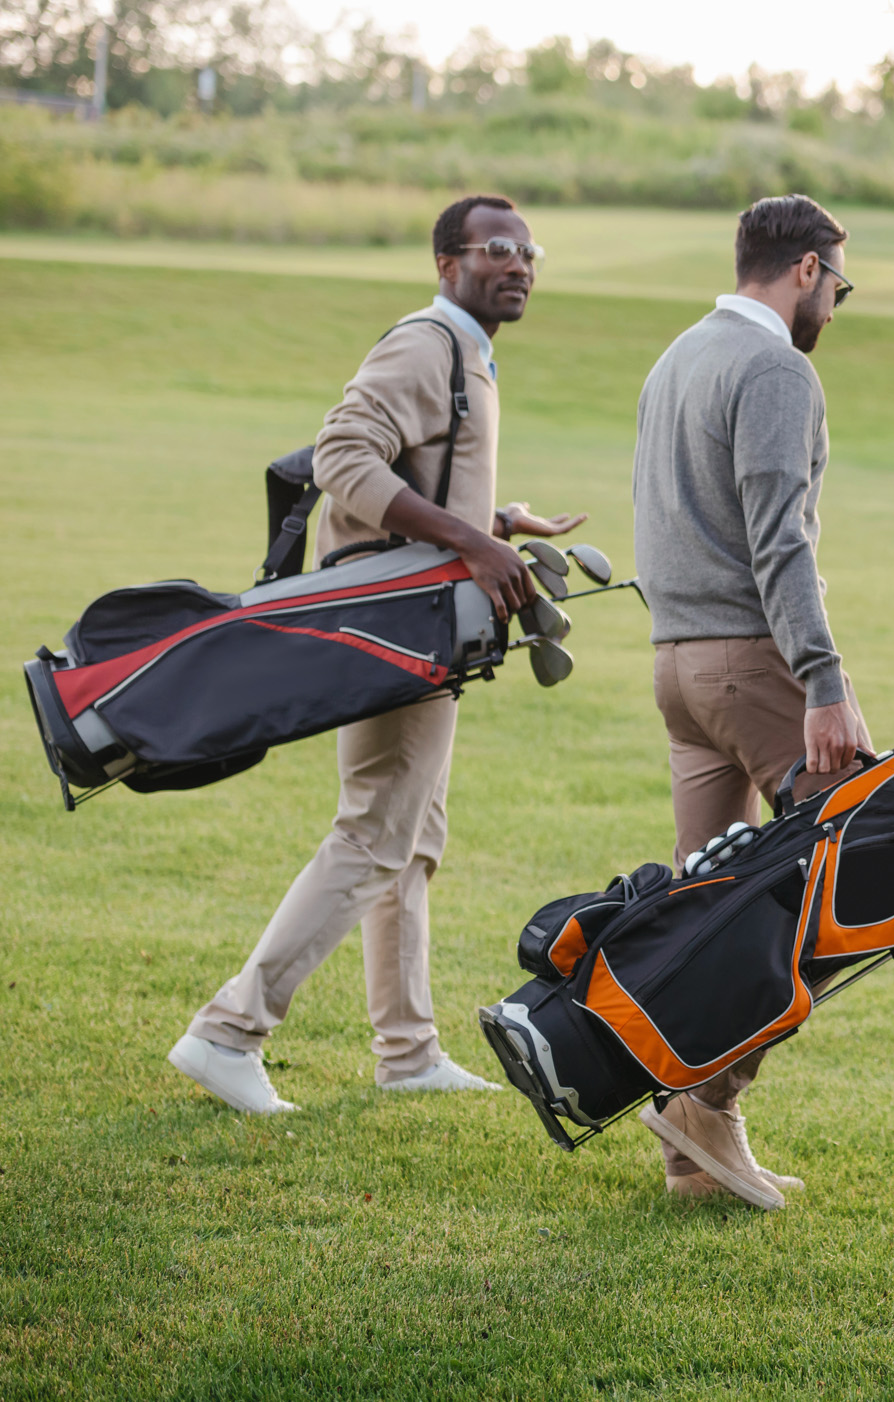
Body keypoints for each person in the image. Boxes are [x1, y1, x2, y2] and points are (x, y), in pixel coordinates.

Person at [169, 195, 588, 1114]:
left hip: (428, 621)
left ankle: (407, 1051)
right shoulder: (423, 344)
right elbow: (344, 457)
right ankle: (228, 1031)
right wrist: (474, 546)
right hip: (395, 623)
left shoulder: (468, 355)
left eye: (529, 252)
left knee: (410, 840)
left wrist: (499, 522)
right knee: (374, 834)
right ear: (447, 262)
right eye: (496, 250)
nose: (518, 265)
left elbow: (417, 473)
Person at [629, 193, 873, 1210]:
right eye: (843, 285)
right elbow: (782, 540)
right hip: (753, 667)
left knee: (709, 905)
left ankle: (697, 1151)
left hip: (676, 665)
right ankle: (703, 1097)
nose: (837, 306)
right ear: (807, 269)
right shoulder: (776, 365)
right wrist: (822, 678)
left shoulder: (676, 354)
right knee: (858, 879)